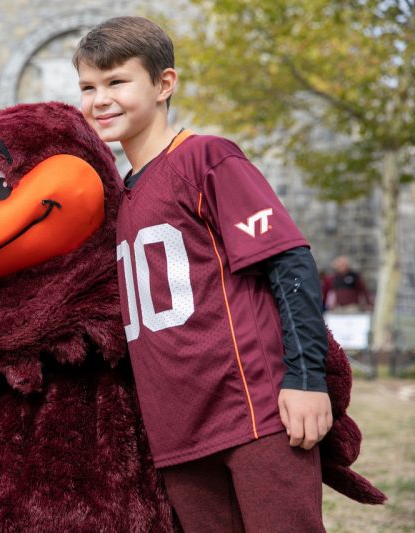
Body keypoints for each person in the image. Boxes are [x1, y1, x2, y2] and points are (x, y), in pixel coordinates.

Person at [75, 17, 332, 532]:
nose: (100, 99)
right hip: (175, 431)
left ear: (164, 84)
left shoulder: (205, 158)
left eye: (117, 81)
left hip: (250, 413)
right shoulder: (114, 199)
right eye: (88, 87)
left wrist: (306, 378)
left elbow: (288, 261)